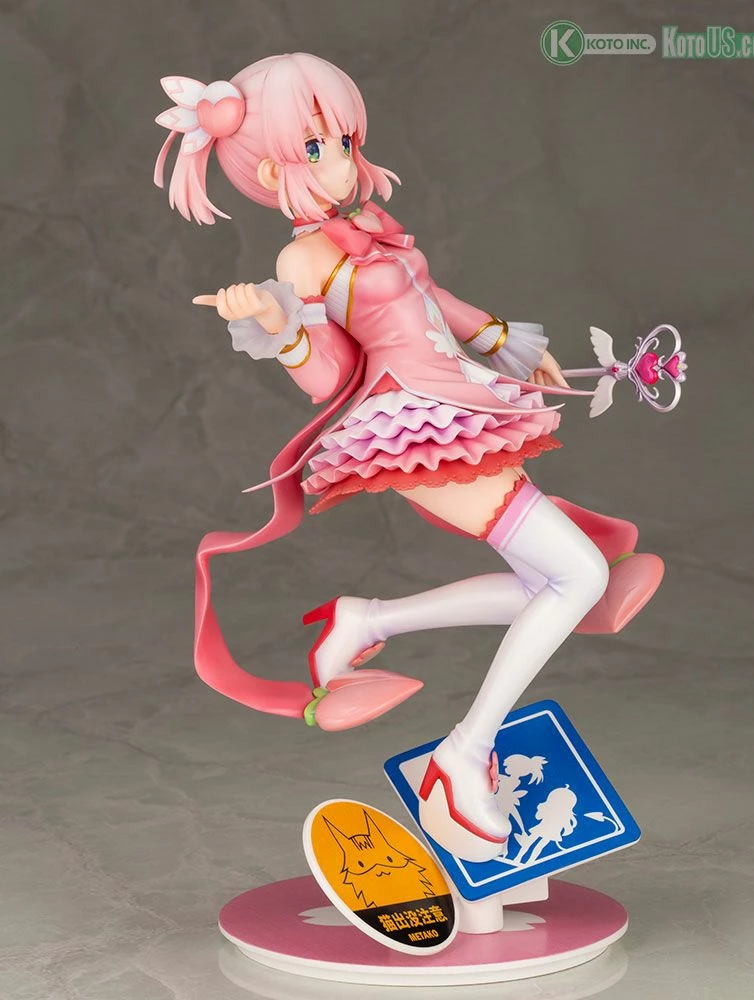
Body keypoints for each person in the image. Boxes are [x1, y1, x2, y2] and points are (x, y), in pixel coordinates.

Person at [154, 52, 663, 862]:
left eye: (345, 141)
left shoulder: (368, 229)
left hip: (460, 400)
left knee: (560, 580)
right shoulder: (303, 261)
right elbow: (327, 377)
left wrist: (502, 339)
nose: (340, 161)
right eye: (315, 147)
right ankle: (461, 755)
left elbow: (431, 299)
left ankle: (367, 621)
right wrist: (278, 328)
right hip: (415, 426)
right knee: (576, 577)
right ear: (273, 170)